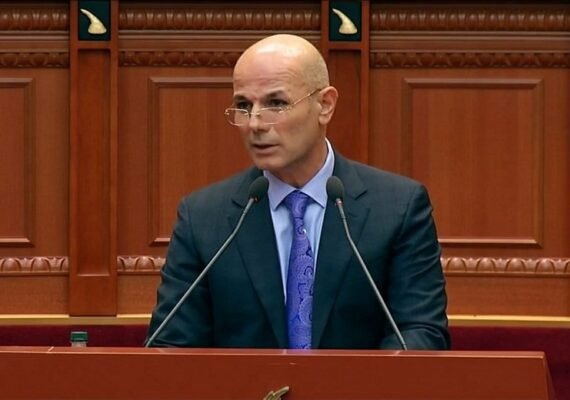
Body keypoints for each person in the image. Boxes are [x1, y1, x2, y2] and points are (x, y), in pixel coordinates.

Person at [146, 34, 449, 350]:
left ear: (325, 105)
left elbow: (419, 332)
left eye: (276, 103)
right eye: (243, 106)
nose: (255, 124)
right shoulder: (203, 218)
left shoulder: (397, 208)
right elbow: (170, 344)